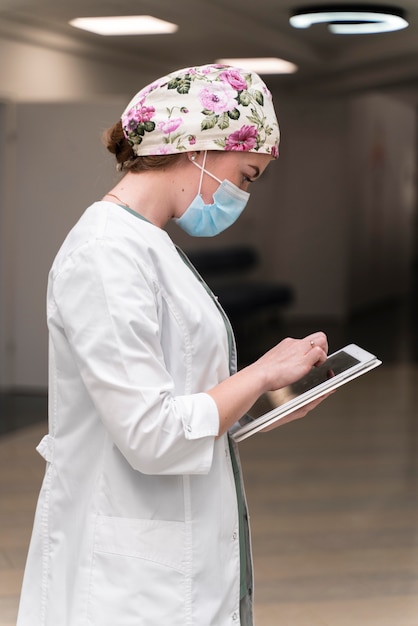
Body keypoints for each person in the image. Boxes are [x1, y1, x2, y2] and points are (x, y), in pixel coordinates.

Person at [17, 64, 329, 626]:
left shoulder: (149, 244)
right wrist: (258, 373)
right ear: (200, 147)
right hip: (126, 584)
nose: (242, 194)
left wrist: (272, 401)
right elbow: (152, 435)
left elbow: (183, 396)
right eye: (247, 174)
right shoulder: (105, 254)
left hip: (173, 561)